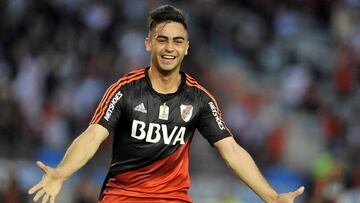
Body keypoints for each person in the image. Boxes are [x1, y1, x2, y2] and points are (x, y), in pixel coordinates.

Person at [28, 5, 304, 203]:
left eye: (177, 41)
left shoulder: (199, 98)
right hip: (123, 197)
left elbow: (230, 149)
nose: (170, 47)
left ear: (187, 48)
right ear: (149, 43)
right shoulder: (125, 90)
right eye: (162, 40)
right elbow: (92, 135)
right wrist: (61, 173)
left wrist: (271, 197)